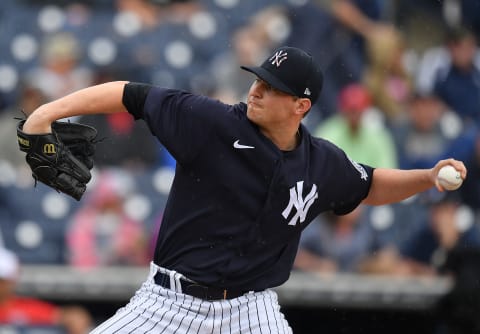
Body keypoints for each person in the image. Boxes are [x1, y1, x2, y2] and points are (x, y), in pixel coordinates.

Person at [21, 46, 467, 333]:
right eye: (256, 80)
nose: (255, 90)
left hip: (251, 312)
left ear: (301, 106)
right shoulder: (210, 121)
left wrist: (426, 177)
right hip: (168, 303)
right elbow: (129, 94)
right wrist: (46, 114)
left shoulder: (320, 161)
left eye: (270, 88)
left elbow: (370, 183)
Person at [0, 247, 92, 333]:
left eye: (1, 280)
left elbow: (72, 316)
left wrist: (74, 319)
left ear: (11, 280)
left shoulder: (26, 307)